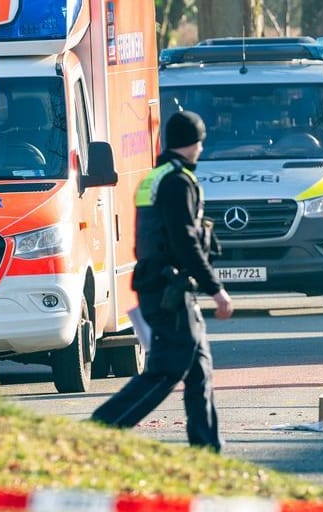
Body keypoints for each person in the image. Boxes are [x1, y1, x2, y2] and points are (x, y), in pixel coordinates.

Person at [91, 110, 234, 451]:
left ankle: (208, 447)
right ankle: (103, 427)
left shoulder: (159, 177)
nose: (201, 148)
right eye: (200, 141)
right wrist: (216, 289)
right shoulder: (176, 182)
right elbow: (184, 240)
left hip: (166, 287)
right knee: (167, 369)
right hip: (169, 289)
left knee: (200, 369)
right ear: (192, 143)